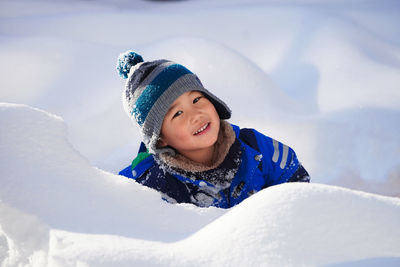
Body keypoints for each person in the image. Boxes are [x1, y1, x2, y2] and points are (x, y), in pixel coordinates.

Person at [117, 51, 310, 208]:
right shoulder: (151, 185)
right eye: (177, 113)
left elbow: (296, 184)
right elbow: (112, 204)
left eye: (196, 100)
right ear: (160, 139)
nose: (196, 115)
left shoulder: (254, 147)